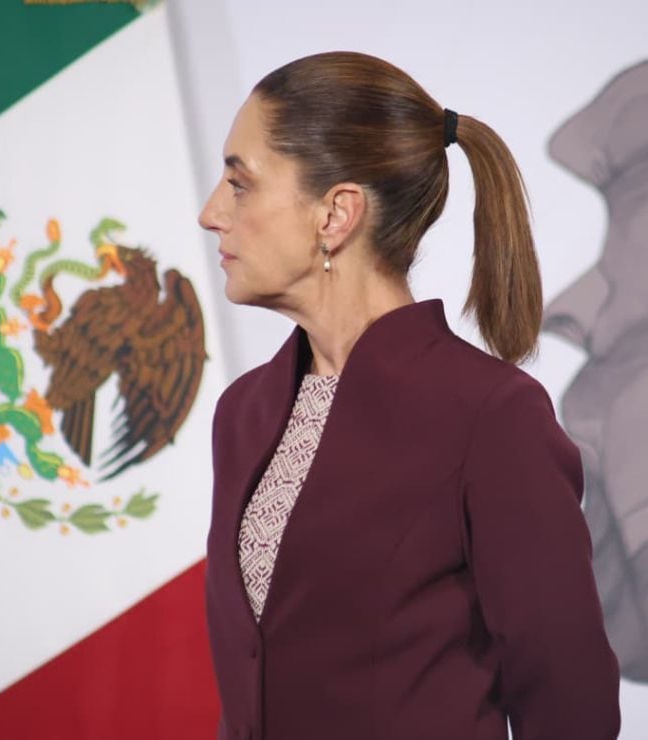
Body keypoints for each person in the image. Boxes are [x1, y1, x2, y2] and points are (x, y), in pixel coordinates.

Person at [197, 51, 620, 740]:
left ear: (336, 214)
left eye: (239, 184)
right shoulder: (242, 414)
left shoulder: (489, 415)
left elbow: (571, 708)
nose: (211, 213)